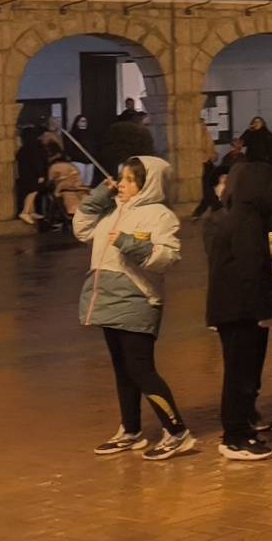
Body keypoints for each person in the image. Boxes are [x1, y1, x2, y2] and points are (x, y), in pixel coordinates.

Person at [73, 155, 194, 460]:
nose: (122, 185)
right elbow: (81, 228)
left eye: (129, 180)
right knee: (122, 370)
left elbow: (167, 257)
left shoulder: (159, 215)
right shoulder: (112, 211)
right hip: (107, 300)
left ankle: (177, 432)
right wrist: (101, 194)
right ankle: (131, 430)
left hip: (137, 300)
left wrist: (129, 243)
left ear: (146, 184)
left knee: (141, 369)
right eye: (121, 178)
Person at [204, 159, 272, 460]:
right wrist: (263, 311)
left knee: (244, 373)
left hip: (237, 308)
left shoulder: (246, 216)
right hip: (239, 309)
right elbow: (250, 270)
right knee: (238, 374)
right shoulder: (244, 219)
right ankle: (234, 437)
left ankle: (242, 427)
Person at [48, 144, 88, 224]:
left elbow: (51, 181)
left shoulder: (54, 167)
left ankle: (57, 217)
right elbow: (78, 178)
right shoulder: (72, 166)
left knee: (58, 196)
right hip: (75, 188)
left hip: (65, 189)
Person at [16, 126, 48, 226]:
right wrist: (41, 174)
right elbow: (36, 162)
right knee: (33, 192)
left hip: (25, 174)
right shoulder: (33, 147)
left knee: (30, 192)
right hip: (33, 175)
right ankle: (25, 212)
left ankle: (30, 211)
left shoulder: (23, 149)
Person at [193, 143, 224, 219]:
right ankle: (200, 212)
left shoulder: (206, 135)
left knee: (208, 191)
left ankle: (198, 212)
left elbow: (213, 154)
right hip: (205, 165)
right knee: (208, 192)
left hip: (207, 165)